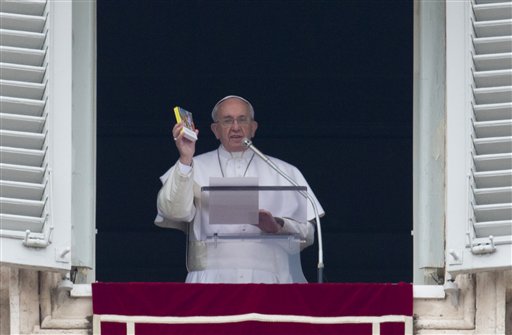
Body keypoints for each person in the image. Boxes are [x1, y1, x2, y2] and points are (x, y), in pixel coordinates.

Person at [155, 95, 324, 283]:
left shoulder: (284, 171)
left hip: (270, 282)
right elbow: (174, 212)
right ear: (215, 130)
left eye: (242, 119)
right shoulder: (194, 167)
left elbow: (308, 235)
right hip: (210, 281)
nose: (236, 127)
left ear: (254, 128)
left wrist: (277, 225)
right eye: (227, 120)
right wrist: (186, 158)